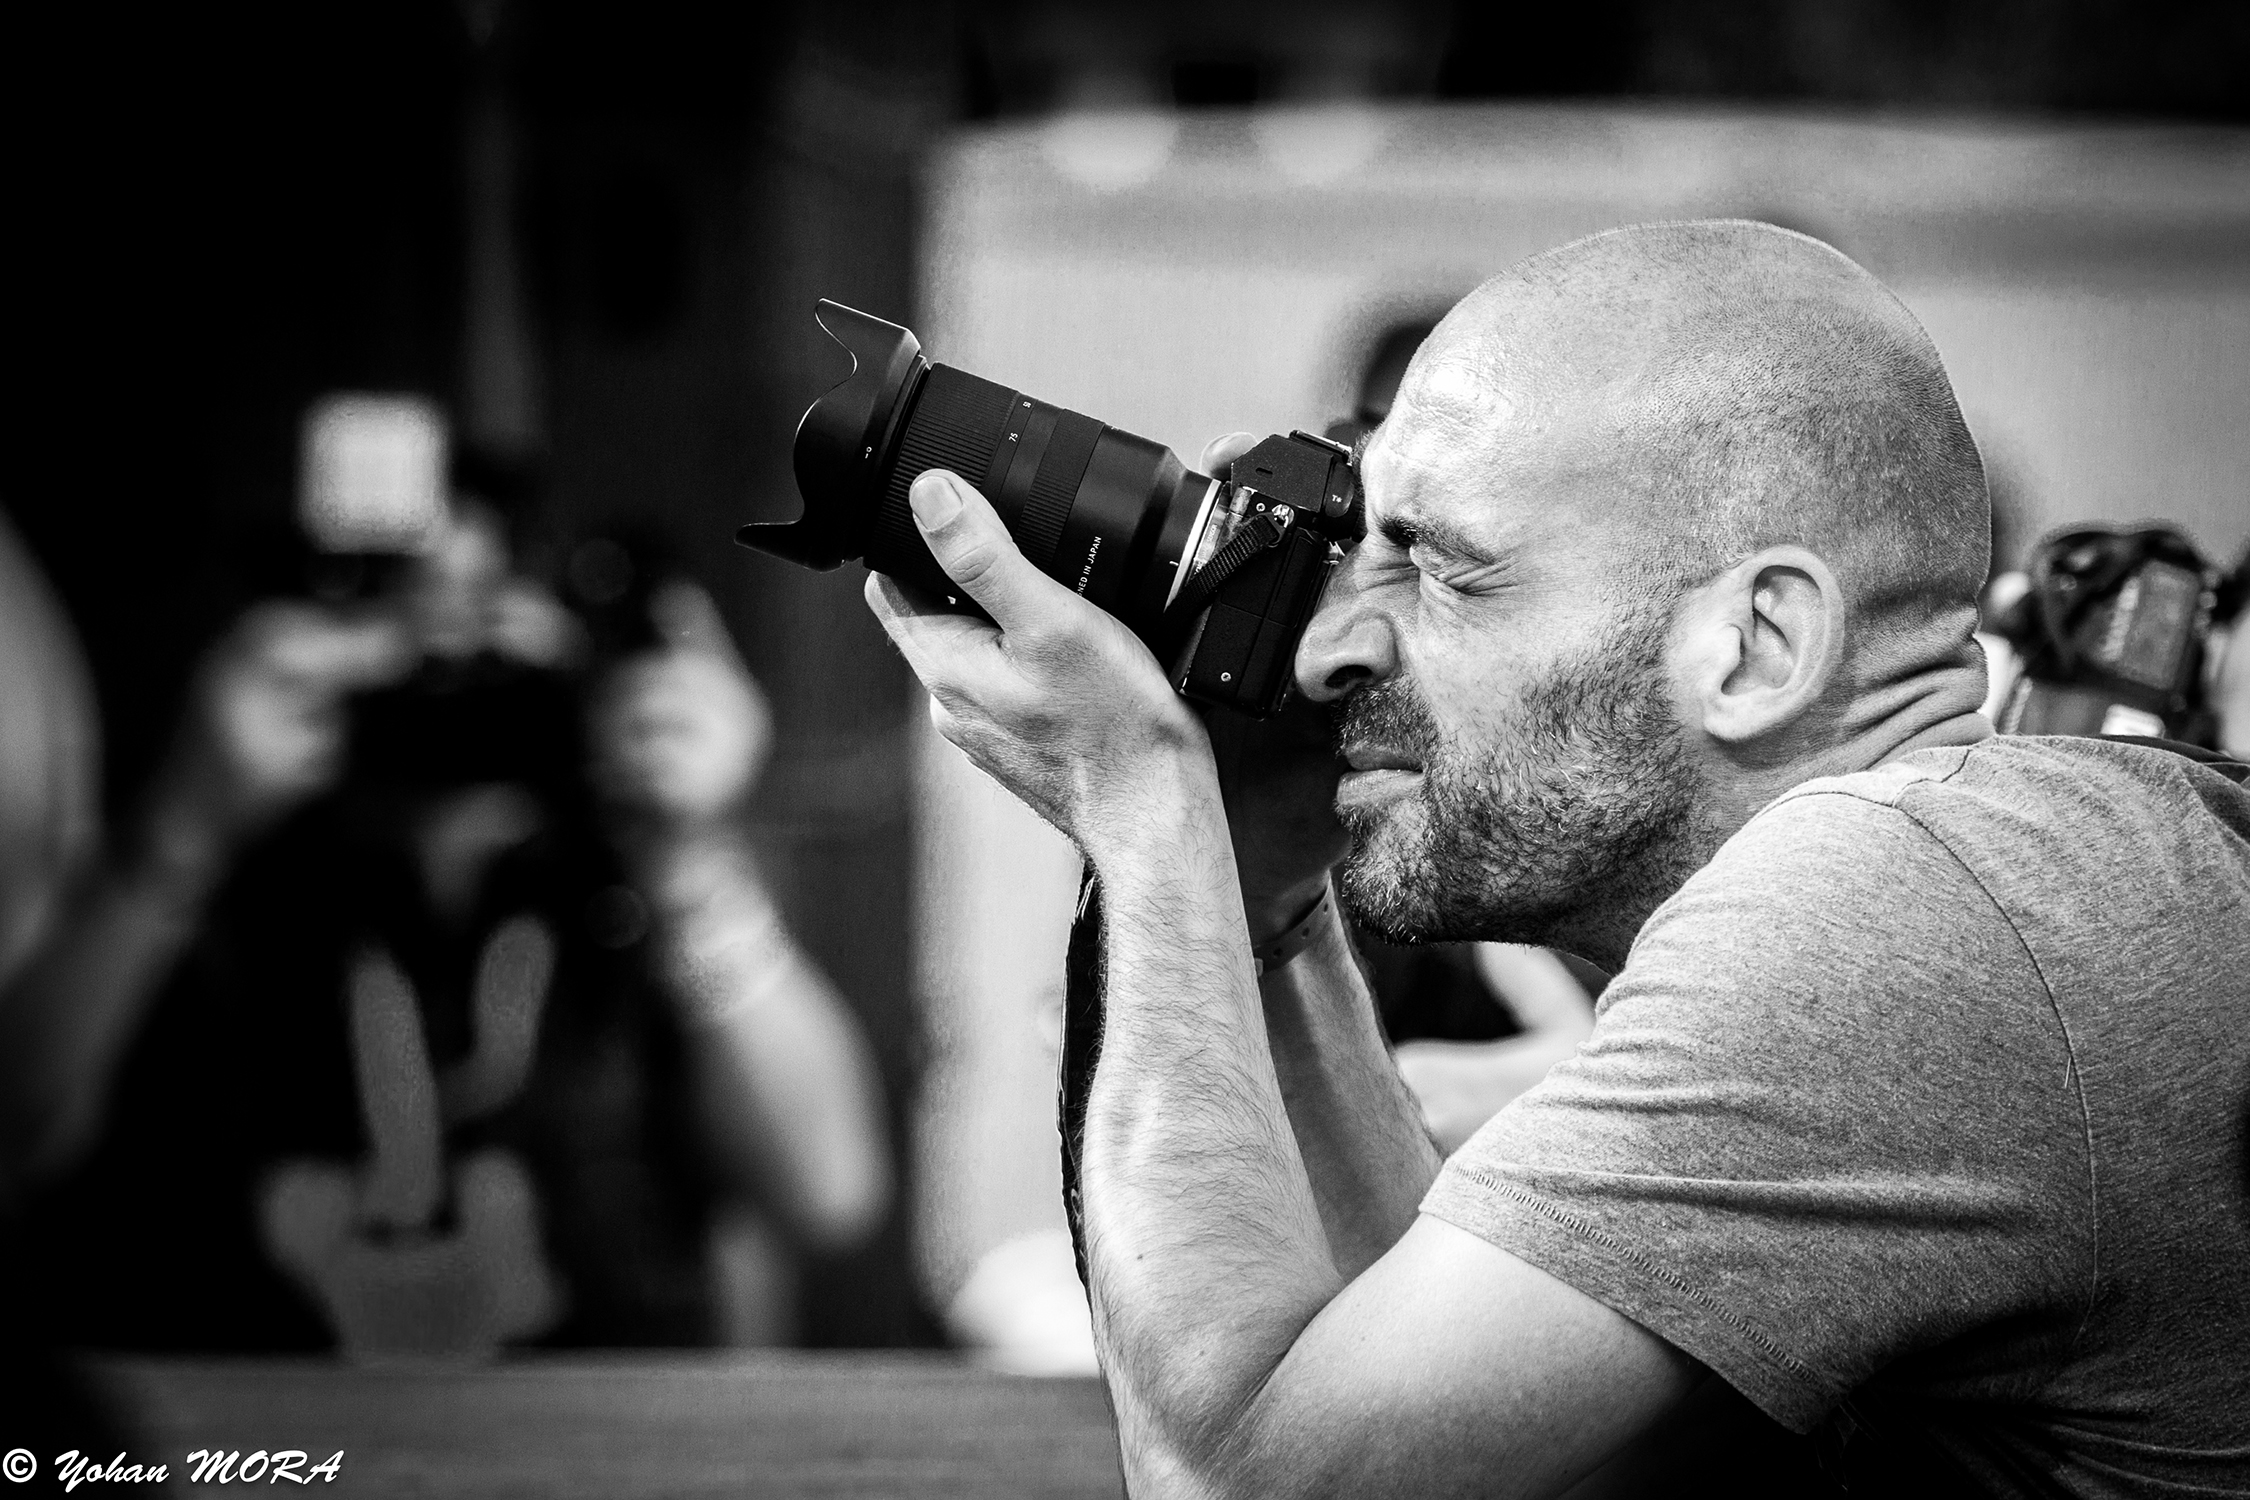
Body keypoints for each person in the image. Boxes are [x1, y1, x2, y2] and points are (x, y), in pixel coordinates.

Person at [864, 220, 2250, 1495]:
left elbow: (1244, 1484)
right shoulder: (1974, 881)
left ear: (1756, 647)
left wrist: (1135, 802)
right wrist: (1253, 894)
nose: (1335, 646)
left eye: (1441, 568)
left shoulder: (1897, 916)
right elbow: (1427, 1424)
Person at [2, 508, 891, 1353]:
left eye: (486, 635)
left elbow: (830, 1193)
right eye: (410, 635)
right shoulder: (233, 875)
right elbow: (20, 1128)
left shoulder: (632, 882)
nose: (451, 680)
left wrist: (689, 862)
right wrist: (184, 827)